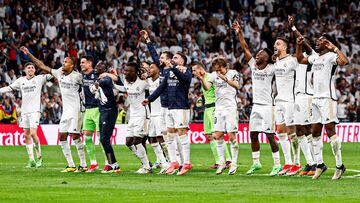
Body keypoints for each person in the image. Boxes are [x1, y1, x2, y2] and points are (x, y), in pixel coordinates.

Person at [20, 46, 87, 173]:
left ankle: (83, 165)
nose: (63, 63)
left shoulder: (77, 76)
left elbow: (88, 85)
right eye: (63, 61)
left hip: (77, 111)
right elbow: (41, 65)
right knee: (62, 136)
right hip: (66, 111)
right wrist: (28, 53)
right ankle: (71, 165)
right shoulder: (59, 72)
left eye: (66, 62)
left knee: (75, 135)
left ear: (72, 65)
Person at [232, 21, 282, 176]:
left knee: (269, 135)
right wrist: (239, 32)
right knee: (253, 134)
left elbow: (283, 60)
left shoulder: (273, 68)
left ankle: (277, 164)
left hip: (268, 105)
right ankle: (256, 163)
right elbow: (245, 48)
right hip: (256, 106)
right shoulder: (253, 65)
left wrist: (278, 57)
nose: (258, 54)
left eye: (262, 53)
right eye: (258, 52)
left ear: (268, 57)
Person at [296, 33, 349, 180]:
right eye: (317, 39)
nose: (316, 42)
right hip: (315, 99)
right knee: (315, 132)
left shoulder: (331, 57)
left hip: (327, 98)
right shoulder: (315, 58)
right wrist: (299, 45)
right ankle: (319, 165)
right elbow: (300, 59)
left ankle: (339, 166)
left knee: (331, 131)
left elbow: (345, 61)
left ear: (327, 43)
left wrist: (335, 48)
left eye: (320, 40)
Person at [143, 52, 193, 176]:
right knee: (169, 134)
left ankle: (186, 163)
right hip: (170, 107)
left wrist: (174, 68)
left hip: (181, 107)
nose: (173, 59)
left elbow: (185, 79)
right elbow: (161, 87)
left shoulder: (186, 70)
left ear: (182, 60)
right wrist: (149, 99)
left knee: (182, 133)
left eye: (176, 58)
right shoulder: (170, 72)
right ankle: (174, 162)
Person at [140, 30, 182, 169]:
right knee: (164, 135)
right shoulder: (164, 70)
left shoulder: (173, 71)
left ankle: (178, 161)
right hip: (163, 107)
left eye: (163, 58)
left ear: (169, 60)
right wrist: (147, 40)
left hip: (171, 107)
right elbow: (153, 55)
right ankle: (169, 162)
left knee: (171, 135)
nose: (160, 59)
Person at [0, 62, 52, 168]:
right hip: (24, 112)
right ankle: (31, 160)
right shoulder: (21, 81)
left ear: (35, 70)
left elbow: (53, 73)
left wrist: (60, 69)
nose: (31, 69)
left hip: (35, 111)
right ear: (25, 70)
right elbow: (9, 88)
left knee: (33, 133)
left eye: (33, 67)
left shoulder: (39, 78)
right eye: (28, 67)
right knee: (26, 135)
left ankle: (39, 157)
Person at [197, 57, 240, 175]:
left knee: (232, 137)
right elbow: (207, 87)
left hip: (230, 108)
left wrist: (224, 78)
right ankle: (221, 162)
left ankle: (234, 163)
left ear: (225, 66)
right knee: (217, 136)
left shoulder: (233, 73)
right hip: (219, 109)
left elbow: (237, 85)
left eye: (219, 69)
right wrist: (201, 79)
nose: (218, 72)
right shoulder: (213, 75)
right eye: (216, 70)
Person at [288, 16, 316, 176]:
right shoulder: (296, 61)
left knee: (307, 130)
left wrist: (293, 28)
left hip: (307, 96)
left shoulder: (311, 57)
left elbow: (301, 40)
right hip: (298, 97)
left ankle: (316, 163)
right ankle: (310, 163)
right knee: (300, 130)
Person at [191, 61, 232, 169]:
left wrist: (201, 79)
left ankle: (228, 160)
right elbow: (208, 92)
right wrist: (202, 98)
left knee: (217, 135)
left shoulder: (210, 76)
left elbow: (208, 88)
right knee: (209, 136)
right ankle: (218, 161)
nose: (193, 72)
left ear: (200, 69)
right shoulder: (204, 78)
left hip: (214, 107)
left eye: (194, 70)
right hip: (207, 108)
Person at [273, 37, 301, 175]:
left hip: (290, 100)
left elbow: (302, 70)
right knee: (280, 132)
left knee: (292, 132)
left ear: (284, 47)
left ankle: (297, 163)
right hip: (278, 101)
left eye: (278, 44)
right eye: (275, 44)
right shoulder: (277, 61)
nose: (275, 46)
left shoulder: (292, 61)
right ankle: (288, 162)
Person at [119, 62, 152, 174]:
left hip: (142, 115)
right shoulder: (127, 83)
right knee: (128, 142)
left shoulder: (143, 83)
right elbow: (123, 88)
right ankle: (145, 162)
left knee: (137, 141)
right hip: (132, 116)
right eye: (125, 70)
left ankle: (147, 167)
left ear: (135, 72)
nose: (126, 72)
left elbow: (155, 86)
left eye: (129, 71)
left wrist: (148, 76)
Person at [90, 61, 121, 173]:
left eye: (100, 66)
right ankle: (114, 164)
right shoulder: (101, 78)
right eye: (97, 65)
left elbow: (97, 86)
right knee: (104, 139)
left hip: (109, 111)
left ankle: (113, 164)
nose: (97, 67)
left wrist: (105, 77)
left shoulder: (107, 79)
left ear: (105, 69)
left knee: (104, 138)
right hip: (103, 111)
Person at [146, 63, 170, 174]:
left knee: (162, 139)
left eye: (151, 67)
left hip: (161, 113)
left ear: (158, 69)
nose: (149, 69)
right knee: (152, 139)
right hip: (152, 114)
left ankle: (171, 162)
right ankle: (163, 163)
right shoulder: (148, 81)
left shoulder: (162, 80)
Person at [80, 56, 102, 172]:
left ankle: (109, 163)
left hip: (98, 108)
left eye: (83, 62)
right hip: (87, 109)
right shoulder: (81, 76)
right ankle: (93, 163)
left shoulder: (97, 74)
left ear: (90, 63)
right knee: (87, 136)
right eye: (81, 63)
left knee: (101, 137)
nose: (81, 64)